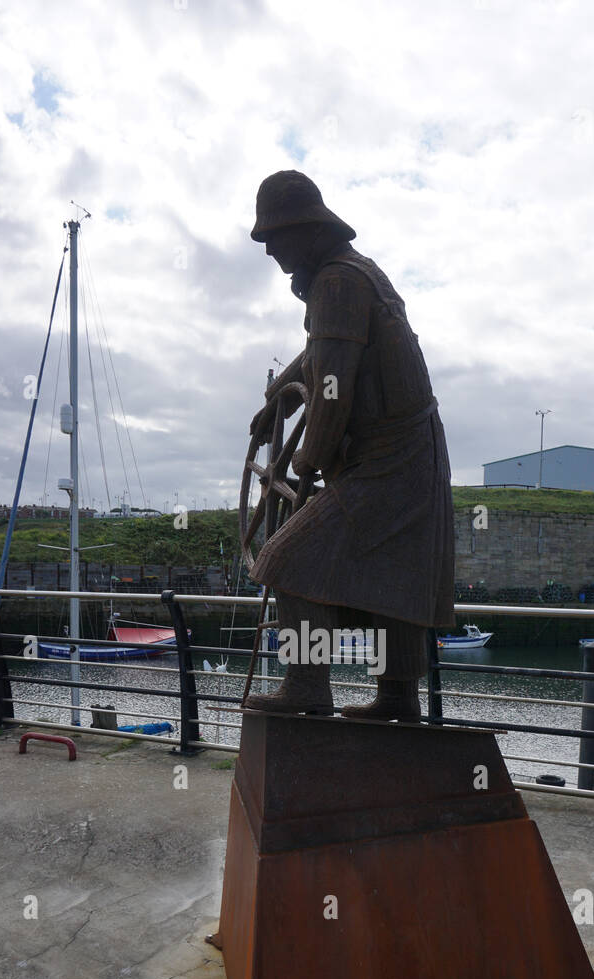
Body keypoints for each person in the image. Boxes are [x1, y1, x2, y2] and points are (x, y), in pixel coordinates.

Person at [244, 170, 454, 721]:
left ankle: (307, 687)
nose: (272, 253)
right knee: (397, 575)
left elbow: (333, 390)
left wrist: (308, 461)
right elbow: (323, 358)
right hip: (414, 457)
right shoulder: (355, 275)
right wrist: (280, 399)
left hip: (388, 460)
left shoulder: (337, 284)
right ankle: (397, 698)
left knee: (288, 559)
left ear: (309, 231)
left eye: (277, 240)